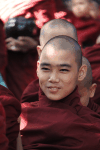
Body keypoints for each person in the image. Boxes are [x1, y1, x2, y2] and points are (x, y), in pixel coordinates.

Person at [20, 35, 100, 150]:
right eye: (46, 69)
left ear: (81, 73)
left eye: (63, 70)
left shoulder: (93, 127)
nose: (53, 78)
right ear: (37, 68)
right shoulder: (20, 116)